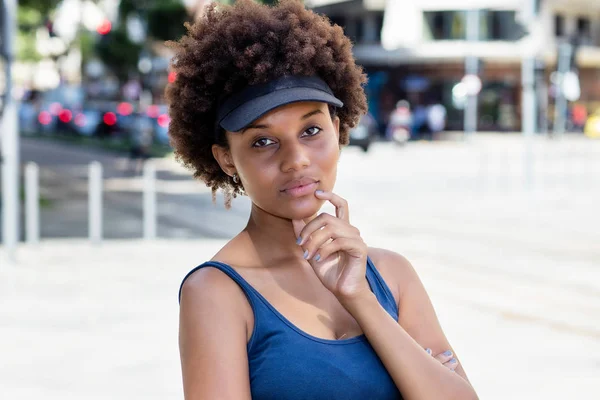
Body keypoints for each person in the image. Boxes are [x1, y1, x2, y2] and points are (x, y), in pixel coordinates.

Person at [168, 1, 478, 399]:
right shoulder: (216, 294)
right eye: (263, 141)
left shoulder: (390, 276)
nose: (295, 160)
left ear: (336, 128)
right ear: (226, 157)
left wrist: (360, 299)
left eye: (311, 130)